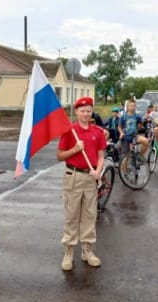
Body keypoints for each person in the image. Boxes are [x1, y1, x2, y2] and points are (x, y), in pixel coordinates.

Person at [57, 96, 106, 271]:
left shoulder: (97, 132)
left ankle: (87, 251)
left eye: (88, 110)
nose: (86, 113)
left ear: (91, 112)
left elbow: (101, 156)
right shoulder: (70, 131)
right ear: (76, 112)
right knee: (71, 216)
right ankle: (68, 252)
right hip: (74, 176)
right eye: (82, 110)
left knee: (89, 215)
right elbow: (60, 155)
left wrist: (98, 171)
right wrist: (75, 149)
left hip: (90, 177)